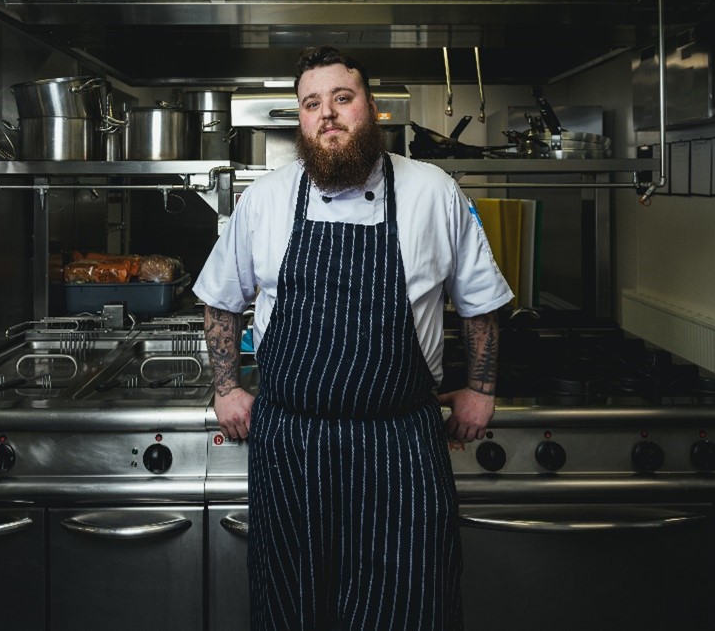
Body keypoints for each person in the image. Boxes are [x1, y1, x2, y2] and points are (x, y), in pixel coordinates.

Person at [193, 45, 512, 630]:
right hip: (293, 442)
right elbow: (220, 299)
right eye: (312, 103)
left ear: (371, 107)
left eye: (343, 98)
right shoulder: (265, 199)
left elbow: (480, 303)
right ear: (300, 118)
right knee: (292, 609)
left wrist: (482, 388)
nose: (328, 115)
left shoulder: (433, 191)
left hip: (401, 442)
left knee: (411, 607)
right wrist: (226, 387)